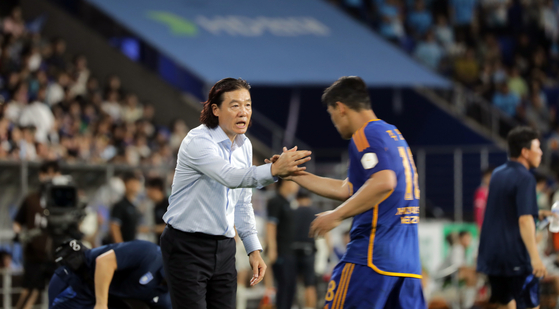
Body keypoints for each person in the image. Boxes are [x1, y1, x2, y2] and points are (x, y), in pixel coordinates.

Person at [160, 77, 312, 309]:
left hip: (224, 248)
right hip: (186, 247)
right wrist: (273, 170)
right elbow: (230, 177)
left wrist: (253, 248)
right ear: (215, 109)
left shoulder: (245, 145)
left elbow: (242, 202)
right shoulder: (198, 140)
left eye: (248, 105)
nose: (243, 111)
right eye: (235, 105)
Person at [283, 76, 425, 307]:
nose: (334, 122)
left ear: (341, 108)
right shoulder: (392, 134)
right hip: (407, 264)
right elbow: (349, 188)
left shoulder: (365, 135)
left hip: (371, 258)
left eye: (331, 115)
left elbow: (384, 182)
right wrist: (295, 175)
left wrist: (336, 215)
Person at [477, 126, 552, 309]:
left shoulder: (497, 174)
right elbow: (524, 220)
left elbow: (505, 210)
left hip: (492, 258)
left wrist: (538, 213)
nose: (541, 153)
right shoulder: (526, 178)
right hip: (517, 259)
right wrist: (535, 257)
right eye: (538, 148)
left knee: (505, 305)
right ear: (525, 152)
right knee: (530, 306)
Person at [48, 239, 171, 309]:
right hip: (78, 281)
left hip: (105, 297)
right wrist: (101, 304)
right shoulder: (150, 253)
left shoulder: (168, 294)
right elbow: (104, 262)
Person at [13, 160, 61, 309]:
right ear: (41, 175)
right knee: (29, 292)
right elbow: (17, 222)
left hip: (56, 255)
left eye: (55, 173)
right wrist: (22, 235)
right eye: (48, 173)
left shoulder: (62, 200)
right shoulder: (31, 200)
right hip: (35, 255)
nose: (51, 178)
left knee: (60, 293)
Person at [266, 178, 299, 309]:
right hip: (281, 252)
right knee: (284, 286)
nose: (296, 186)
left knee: (291, 286)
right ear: (285, 182)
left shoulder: (288, 202)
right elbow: (270, 226)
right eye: (294, 182)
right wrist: (273, 249)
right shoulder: (276, 201)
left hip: (290, 252)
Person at [293, 191, 321, 309]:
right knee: (310, 283)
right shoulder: (315, 212)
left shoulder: (293, 212)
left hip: (293, 250)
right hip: (309, 250)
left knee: (293, 282)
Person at [109, 172, 142, 243]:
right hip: (123, 248)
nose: (135, 185)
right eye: (133, 182)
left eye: (137, 183)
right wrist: (121, 247)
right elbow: (114, 228)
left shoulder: (134, 206)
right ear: (125, 184)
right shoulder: (120, 205)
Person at [145, 177, 168, 244]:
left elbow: (169, 227)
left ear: (156, 188)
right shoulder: (155, 206)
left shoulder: (169, 204)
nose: (147, 193)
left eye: (149, 189)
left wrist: (149, 229)